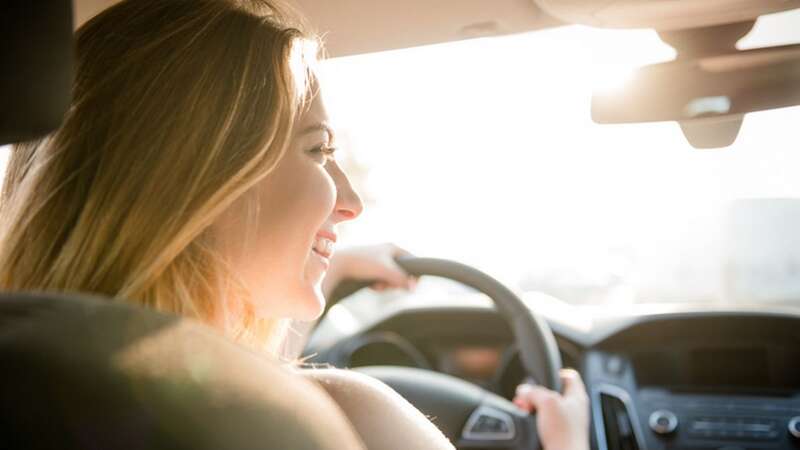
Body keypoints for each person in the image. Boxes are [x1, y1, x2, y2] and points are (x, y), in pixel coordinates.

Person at [0, 0, 589, 449]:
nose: (351, 201)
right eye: (318, 150)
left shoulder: (31, 382)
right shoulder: (348, 417)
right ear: (201, 179)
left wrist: (333, 274)